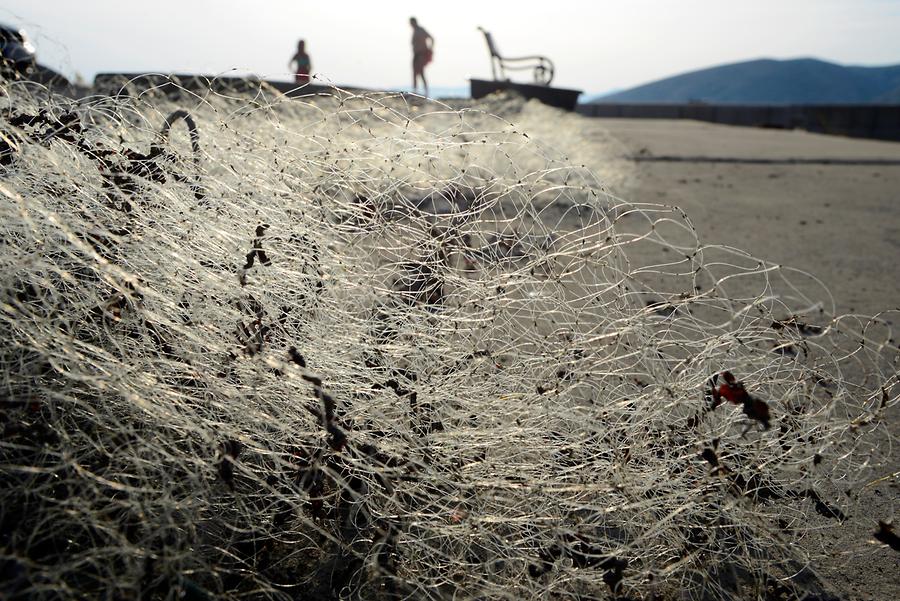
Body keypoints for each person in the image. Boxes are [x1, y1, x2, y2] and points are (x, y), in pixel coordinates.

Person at [409, 17, 433, 96]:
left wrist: (429, 49)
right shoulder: (415, 31)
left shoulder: (420, 30)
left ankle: (425, 92)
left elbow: (431, 38)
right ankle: (415, 92)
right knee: (415, 73)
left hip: (421, 54)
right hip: (416, 54)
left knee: (421, 73)